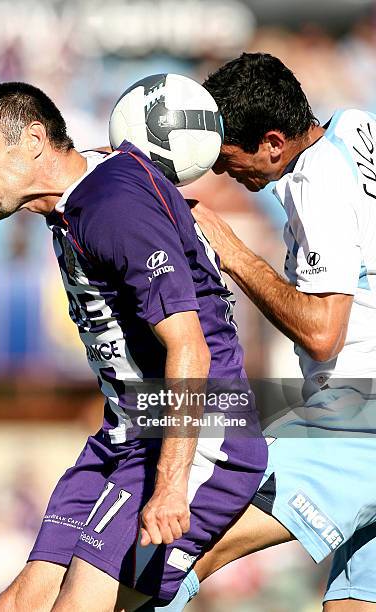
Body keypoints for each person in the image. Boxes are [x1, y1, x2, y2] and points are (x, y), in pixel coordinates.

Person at [0, 82, 267, 611]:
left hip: (195, 435)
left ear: (33, 140)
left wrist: (170, 485)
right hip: (124, 438)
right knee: (14, 605)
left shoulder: (113, 204)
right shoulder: (80, 199)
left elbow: (190, 345)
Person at [149, 52, 376, 611]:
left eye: (226, 158)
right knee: (354, 602)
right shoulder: (355, 126)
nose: (222, 172)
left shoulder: (317, 177)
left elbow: (323, 333)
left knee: (182, 546)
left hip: (359, 413)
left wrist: (233, 253)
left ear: (274, 142)